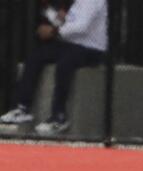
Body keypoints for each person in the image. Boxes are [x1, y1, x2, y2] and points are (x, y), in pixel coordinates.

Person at [0, 0, 108, 136]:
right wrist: (55, 16)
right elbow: (70, 24)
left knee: (65, 63)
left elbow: (81, 27)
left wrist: (53, 31)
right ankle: (22, 108)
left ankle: (59, 116)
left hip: (92, 50)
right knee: (36, 56)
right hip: (73, 45)